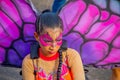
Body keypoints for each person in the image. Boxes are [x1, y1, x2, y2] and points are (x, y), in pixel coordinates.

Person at [22, 11, 85, 80]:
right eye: (48, 41)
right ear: (37, 36)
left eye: (58, 40)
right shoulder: (29, 62)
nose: (54, 46)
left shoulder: (72, 56)